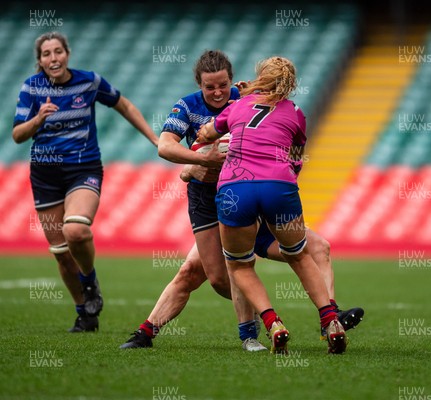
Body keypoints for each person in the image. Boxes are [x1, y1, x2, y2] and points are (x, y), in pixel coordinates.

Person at [120, 51, 363, 351]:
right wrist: (199, 159)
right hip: (210, 199)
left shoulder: (245, 97)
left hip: (239, 192)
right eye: (210, 87)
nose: (219, 92)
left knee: (314, 249)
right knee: (210, 275)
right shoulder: (188, 105)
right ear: (200, 85)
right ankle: (147, 332)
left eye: (223, 84)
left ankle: (310, 319)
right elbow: (165, 146)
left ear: (232, 80)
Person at [199, 56, 348, 354]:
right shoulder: (295, 112)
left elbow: (207, 134)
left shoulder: (238, 105)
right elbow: (295, 159)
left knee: (240, 264)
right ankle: (331, 321)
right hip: (280, 187)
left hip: (235, 188)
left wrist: (216, 127)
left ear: (260, 77)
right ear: (290, 83)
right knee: (301, 256)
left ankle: (273, 323)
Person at [12, 31, 159, 333]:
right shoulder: (31, 88)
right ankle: (85, 313)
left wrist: (155, 138)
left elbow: (125, 106)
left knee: (76, 229)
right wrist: (38, 119)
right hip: (45, 175)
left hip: (83, 168)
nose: (53, 58)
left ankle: (89, 280)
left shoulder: (89, 81)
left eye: (58, 51)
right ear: (39, 60)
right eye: (46, 54)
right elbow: (17, 135)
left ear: (67, 53)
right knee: (62, 255)